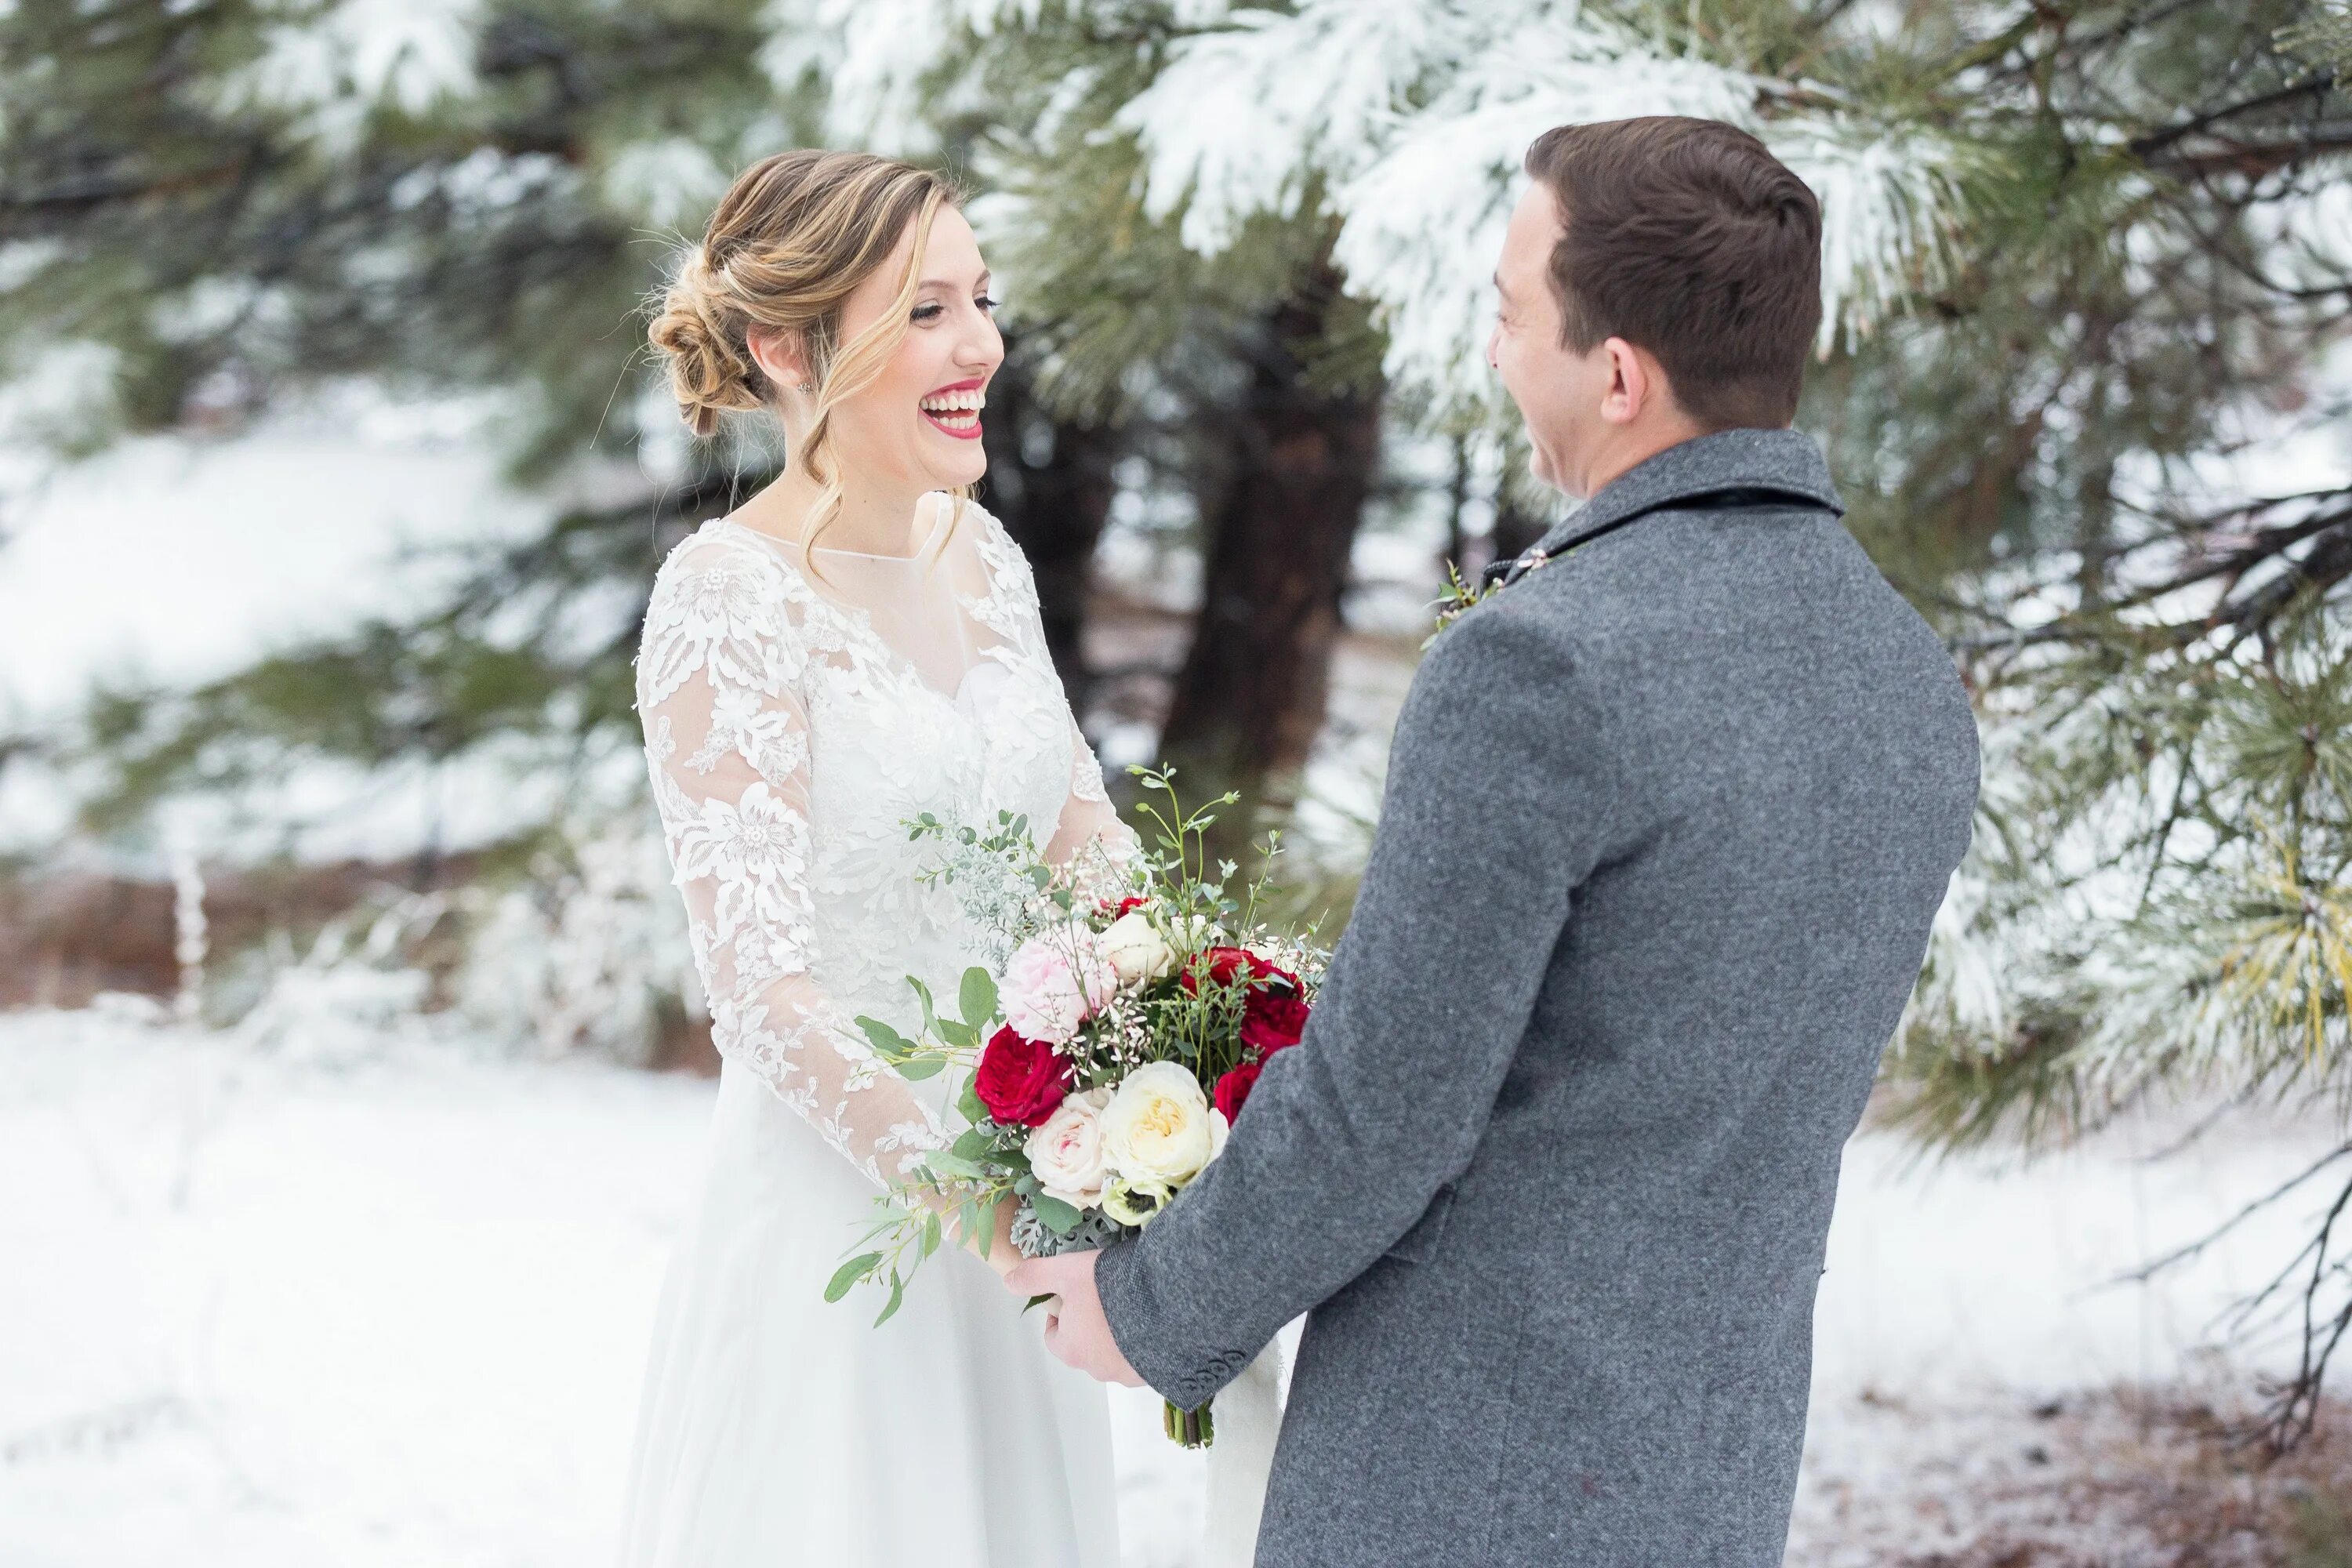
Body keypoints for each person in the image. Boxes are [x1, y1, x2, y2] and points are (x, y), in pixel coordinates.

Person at [1012, 116, 1983, 1566]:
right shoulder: (1910, 680)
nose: (1492, 353)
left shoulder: (1541, 663)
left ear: (1616, 371)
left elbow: (1384, 1104)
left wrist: (1154, 1309)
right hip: (1710, 1472)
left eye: (1509, 312)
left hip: (1459, 1474)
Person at [619, 149, 1131, 1568]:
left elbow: (1083, 840)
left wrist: (1182, 1052)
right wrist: (988, 1213)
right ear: (789, 347)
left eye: (982, 297)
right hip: (853, 1249)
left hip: (1034, 1208)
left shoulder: (987, 557)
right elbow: (764, 994)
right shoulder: (727, 599)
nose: (981, 344)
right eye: (923, 311)